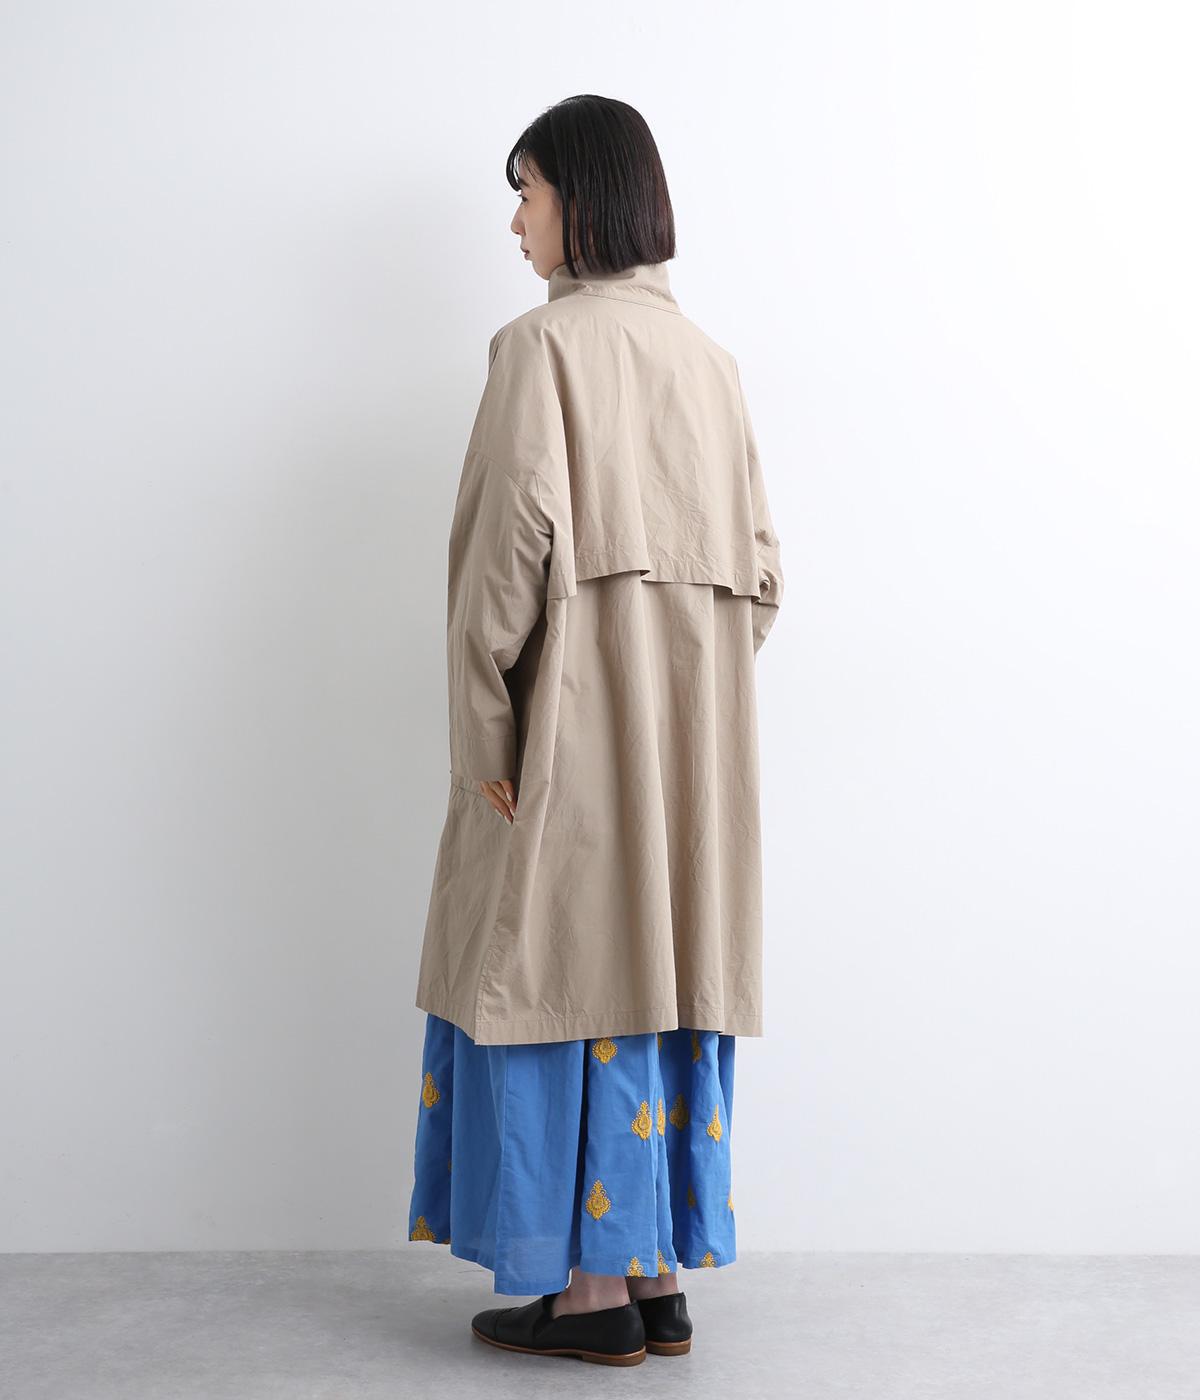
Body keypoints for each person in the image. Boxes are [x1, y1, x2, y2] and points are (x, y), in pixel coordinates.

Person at [407, 93, 784, 1366]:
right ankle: (656, 1275)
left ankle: (586, 1297)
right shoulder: (712, 364)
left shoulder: (540, 350)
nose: (517, 223)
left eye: (527, 192)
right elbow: (765, 577)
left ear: (583, 197)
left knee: (557, 977)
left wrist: (485, 741)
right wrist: (685, 686)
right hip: (695, 758)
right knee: (661, 974)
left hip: (569, 738)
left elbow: (496, 577)